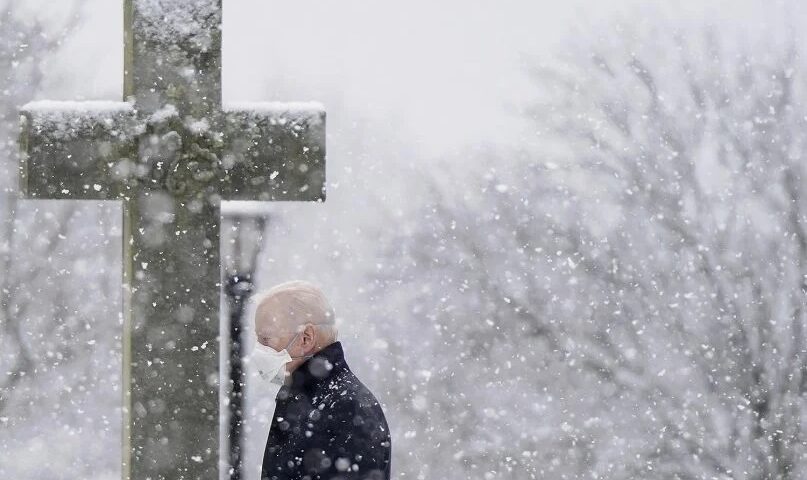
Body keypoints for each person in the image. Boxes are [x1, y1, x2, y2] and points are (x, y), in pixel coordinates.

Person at [250, 280, 391, 480]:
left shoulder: (346, 408)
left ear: (306, 338)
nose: (259, 351)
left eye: (266, 339)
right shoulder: (310, 400)